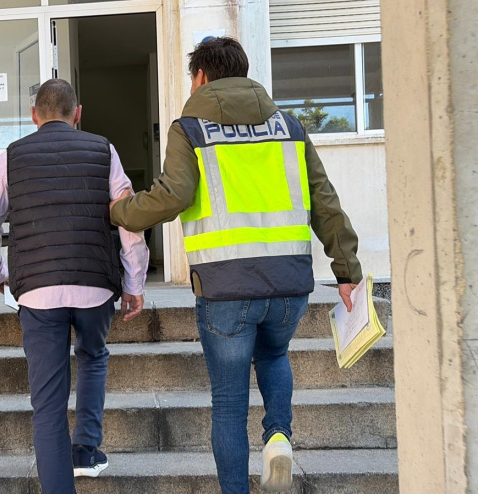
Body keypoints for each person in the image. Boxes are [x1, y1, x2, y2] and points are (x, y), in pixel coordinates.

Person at [109, 37, 362, 493]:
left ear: (202, 75)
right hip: (288, 285)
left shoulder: (190, 129)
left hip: (226, 288)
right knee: (274, 355)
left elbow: (173, 195)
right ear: (243, 74)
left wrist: (119, 211)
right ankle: (279, 436)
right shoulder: (290, 126)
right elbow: (325, 201)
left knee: (228, 402)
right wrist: (347, 271)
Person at [0, 79, 149, 494]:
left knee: (48, 403)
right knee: (92, 355)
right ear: (78, 113)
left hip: (36, 291)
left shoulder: (11, 156)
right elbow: (127, 219)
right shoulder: (103, 150)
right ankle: (86, 450)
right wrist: (134, 283)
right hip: (94, 287)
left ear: (34, 116)